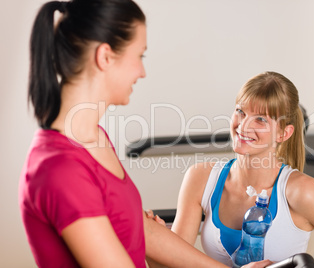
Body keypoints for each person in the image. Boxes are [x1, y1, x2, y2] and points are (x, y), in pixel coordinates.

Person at [19, 1, 275, 267]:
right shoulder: (60, 168)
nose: (142, 72)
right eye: (139, 56)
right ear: (105, 56)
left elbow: (145, 231)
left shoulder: (95, 138)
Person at [170, 71, 314, 267]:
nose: (243, 126)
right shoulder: (200, 178)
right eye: (240, 112)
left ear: (284, 133)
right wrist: (153, 238)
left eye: (261, 119)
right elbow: (172, 262)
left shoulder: (302, 192)